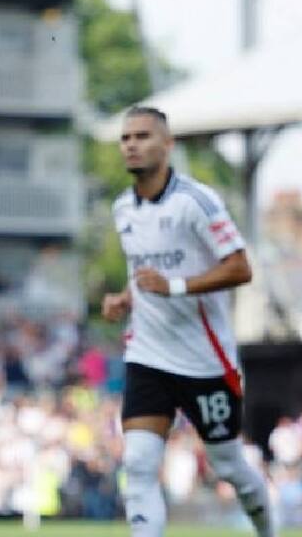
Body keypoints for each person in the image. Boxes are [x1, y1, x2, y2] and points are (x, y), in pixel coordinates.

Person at [101, 105, 274, 537]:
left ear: (167, 143)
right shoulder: (123, 208)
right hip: (148, 354)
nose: (132, 145)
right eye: (126, 138)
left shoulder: (197, 201)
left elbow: (241, 268)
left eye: (142, 136)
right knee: (138, 464)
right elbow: (144, 273)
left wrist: (174, 286)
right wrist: (125, 297)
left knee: (229, 465)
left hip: (205, 359)